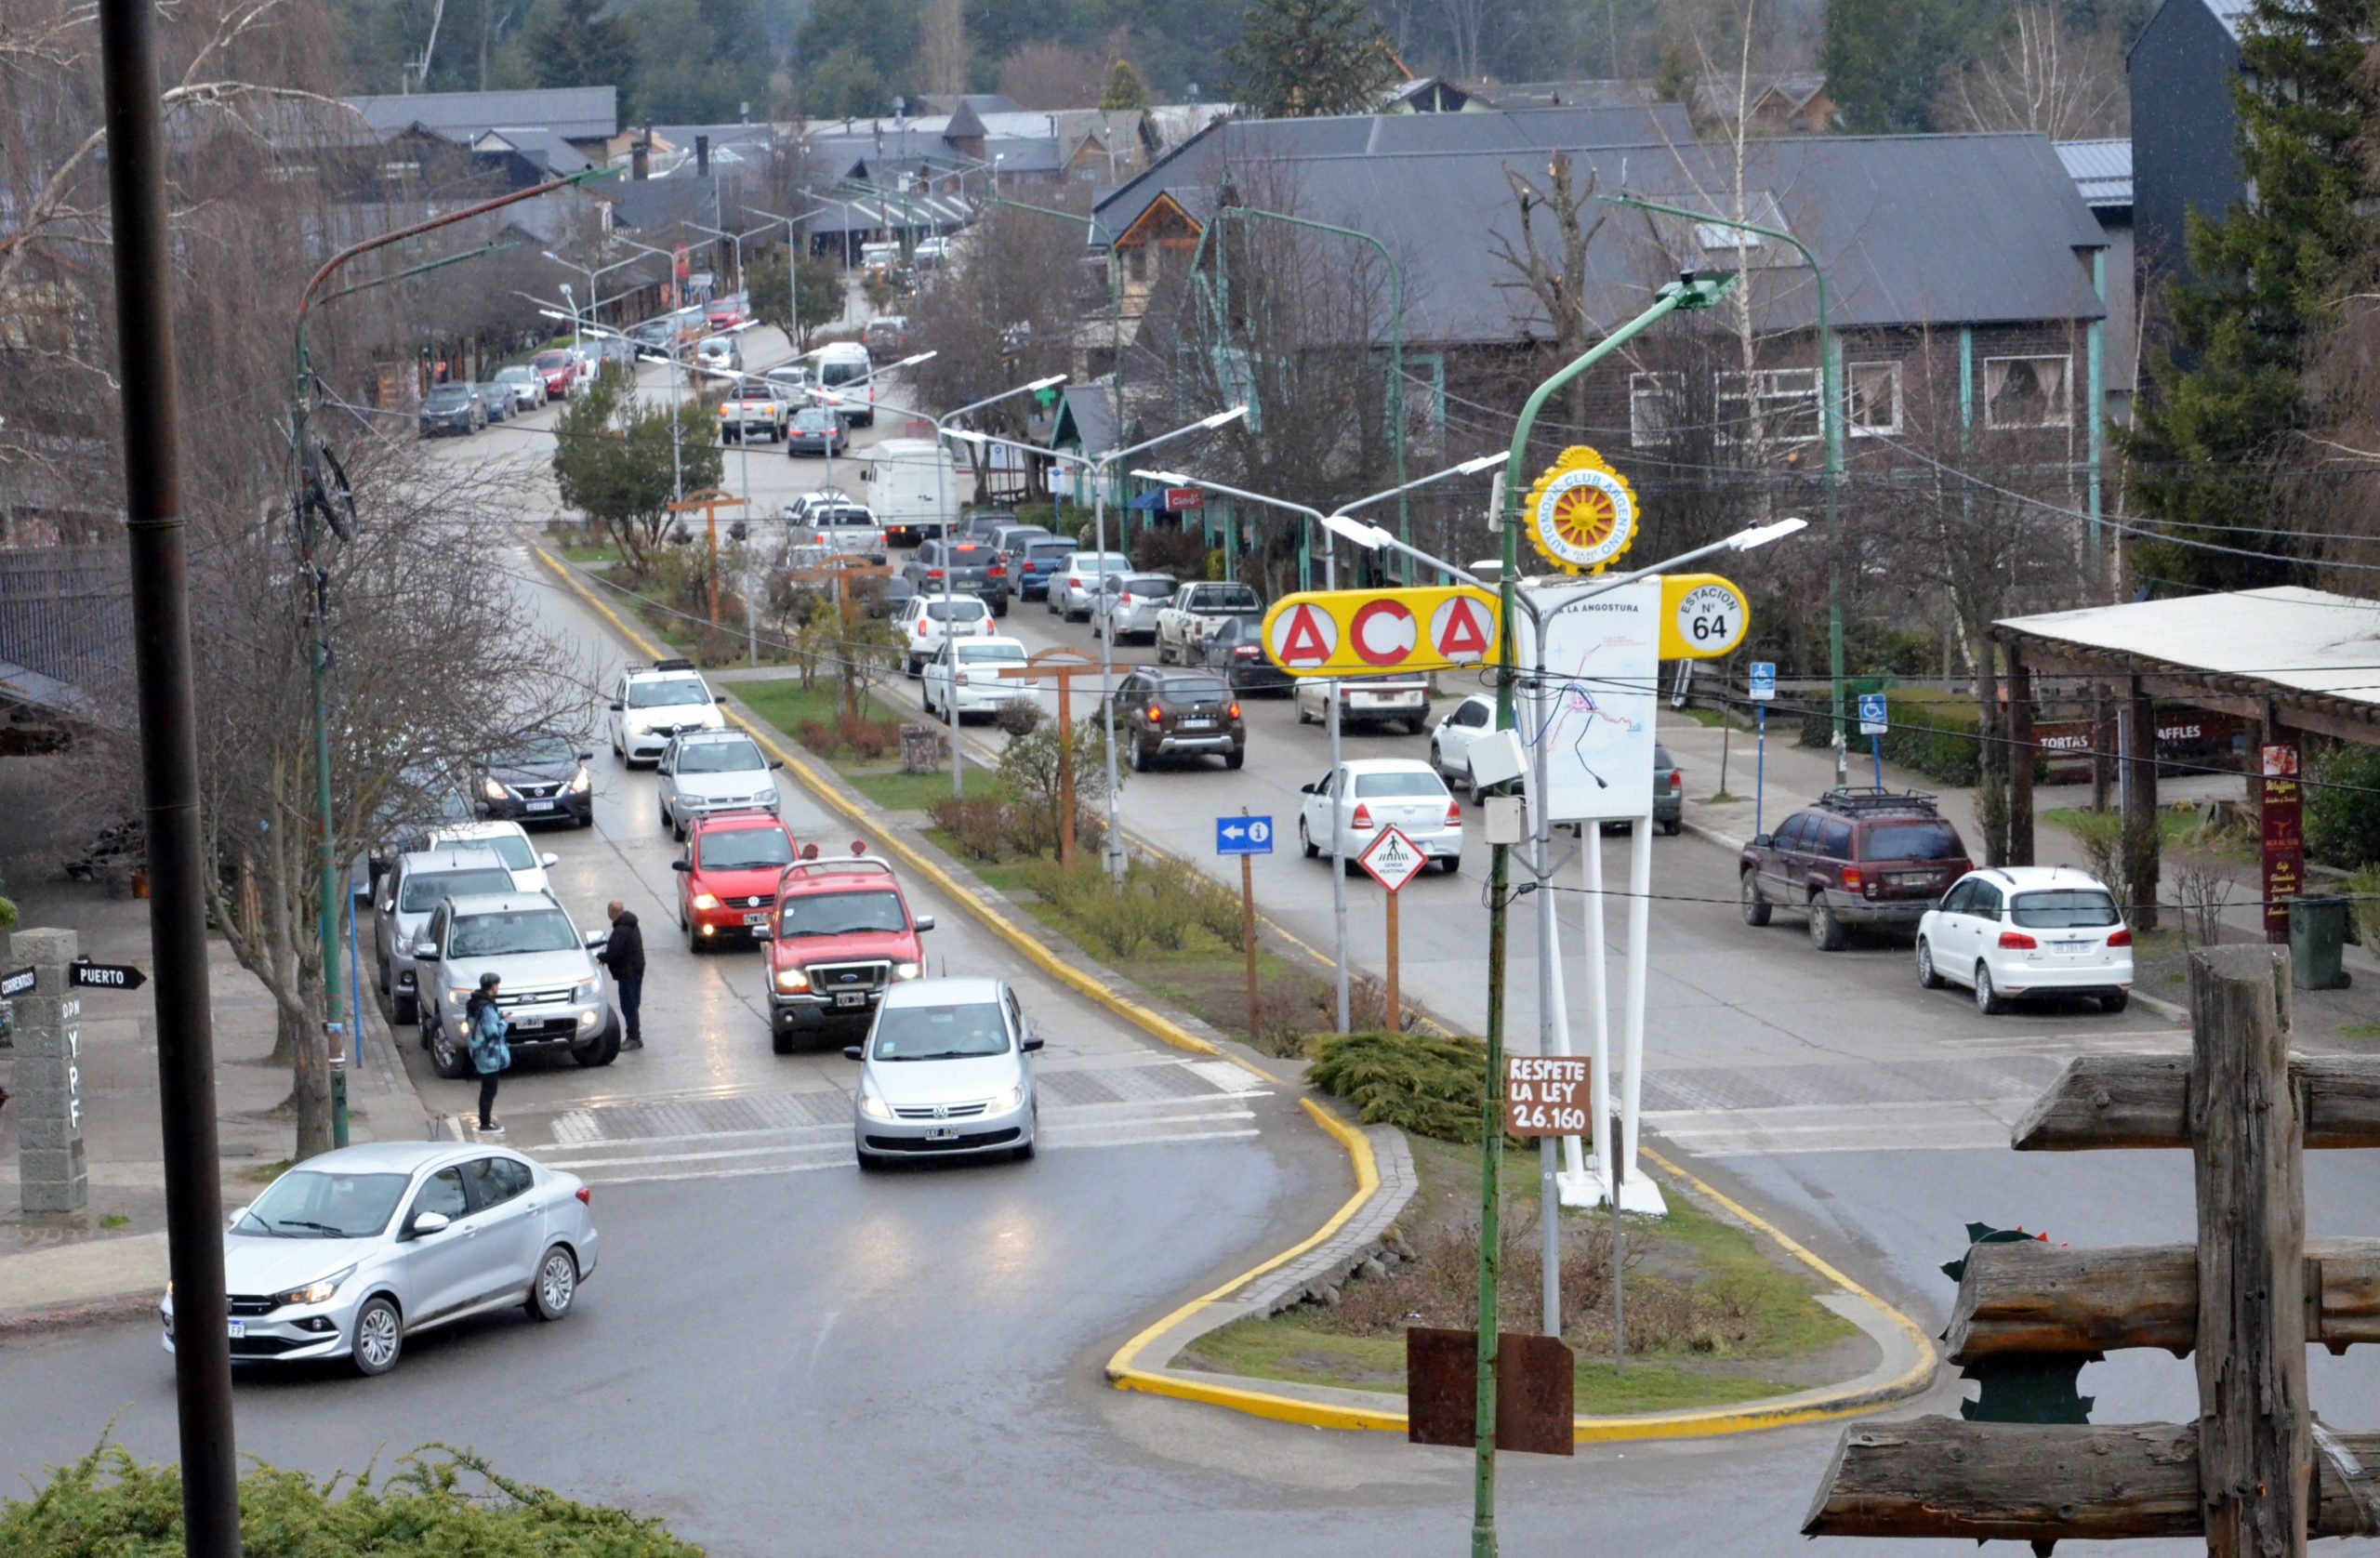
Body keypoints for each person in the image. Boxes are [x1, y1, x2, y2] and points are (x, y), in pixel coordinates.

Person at [465, 972, 510, 1134]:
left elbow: (479, 1022)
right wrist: (504, 1022)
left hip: (478, 1051)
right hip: (488, 1054)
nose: (498, 988)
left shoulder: (475, 1003)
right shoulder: (487, 1007)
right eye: (497, 985)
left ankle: (486, 1120)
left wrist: (498, 1016)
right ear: (492, 987)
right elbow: (493, 1033)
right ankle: (485, 1123)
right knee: (489, 1090)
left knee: (487, 1088)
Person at [601, 900, 644, 1050]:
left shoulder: (621, 930)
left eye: (608, 910)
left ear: (612, 911)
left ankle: (633, 1037)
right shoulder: (629, 925)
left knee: (629, 1006)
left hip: (628, 973)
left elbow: (615, 953)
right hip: (634, 971)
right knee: (632, 1004)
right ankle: (635, 1036)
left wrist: (602, 957)